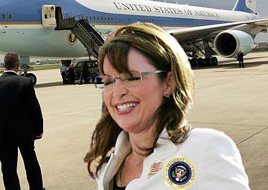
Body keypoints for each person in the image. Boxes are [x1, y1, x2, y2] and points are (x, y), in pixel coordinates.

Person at [84, 23, 249, 189]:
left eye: (132, 77)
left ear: (168, 82)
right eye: (108, 81)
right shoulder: (107, 166)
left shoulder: (204, 149)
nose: (117, 92)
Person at [0, 53, 45, 190]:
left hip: (3, 134)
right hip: (25, 132)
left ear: (4, 65)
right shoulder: (25, 82)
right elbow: (34, 108)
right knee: (31, 163)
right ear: (17, 66)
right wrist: (39, 129)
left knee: (8, 167)